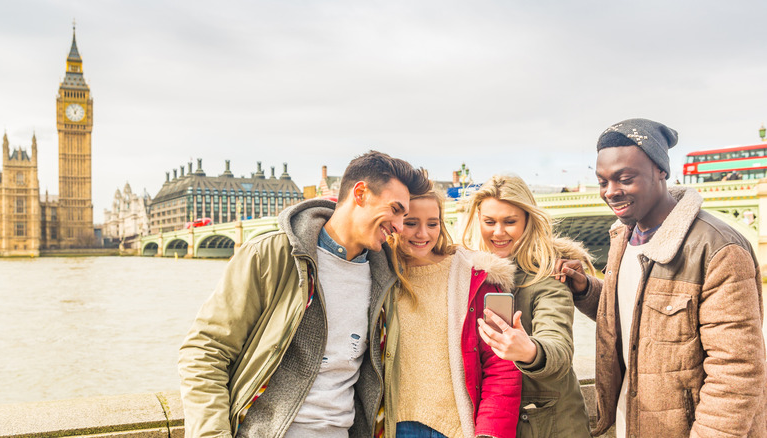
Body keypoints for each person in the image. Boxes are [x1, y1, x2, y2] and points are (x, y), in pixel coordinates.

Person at [178, 151, 432, 438]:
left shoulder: (387, 277)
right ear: (360, 193)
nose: (399, 226)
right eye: (396, 209)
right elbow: (205, 350)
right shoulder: (269, 256)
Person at [556, 118, 767, 437]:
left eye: (625, 179)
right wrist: (586, 289)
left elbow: (736, 371)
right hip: (635, 423)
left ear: (661, 171)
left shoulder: (718, 249)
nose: (611, 192)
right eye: (602, 182)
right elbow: (638, 317)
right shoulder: (622, 238)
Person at [462, 174, 594, 438]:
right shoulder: (465, 273)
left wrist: (530, 351)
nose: (498, 232)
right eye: (490, 222)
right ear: (478, 220)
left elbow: (559, 346)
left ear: (527, 221)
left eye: (510, 222)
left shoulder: (548, 274)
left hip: (550, 425)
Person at [383, 190, 522, 438]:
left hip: (458, 430)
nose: (423, 234)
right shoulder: (378, 273)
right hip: (391, 427)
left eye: (432, 223)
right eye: (411, 223)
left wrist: (490, 433)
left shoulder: (478, 276)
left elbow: (502, 364)